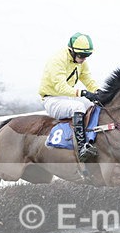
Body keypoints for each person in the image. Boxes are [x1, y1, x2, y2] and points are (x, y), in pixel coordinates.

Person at [38, 32, 101, 161]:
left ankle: (92, 140)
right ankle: (82, 147)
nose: (84, 58)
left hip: (68, 97)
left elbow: (88, 79)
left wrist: (98, 91)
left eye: (87, 55)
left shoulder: (81, 62)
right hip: (52, 99)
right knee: (78, 107)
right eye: (81, 55)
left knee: (93, 105)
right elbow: (60, 87)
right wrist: (83, 93)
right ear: (71, 51)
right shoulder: (57, 60)